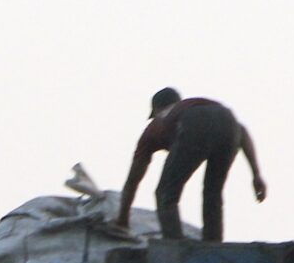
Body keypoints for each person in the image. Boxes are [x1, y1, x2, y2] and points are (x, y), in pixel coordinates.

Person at [114, 87, 266, 242]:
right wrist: (256, 174)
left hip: (194, 122)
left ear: (155, 110)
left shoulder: (155, 125)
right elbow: (242, 131)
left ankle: (176, 247)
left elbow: (133, 179)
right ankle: (213, 247)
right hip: (228, 120)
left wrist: (123, 219)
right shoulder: (188, 106)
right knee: (213, 194)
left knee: (165, 193)